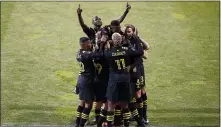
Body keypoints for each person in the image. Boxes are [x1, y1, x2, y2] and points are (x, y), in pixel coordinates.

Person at [104, 33, 144, 127]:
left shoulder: (109, 53)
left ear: (113, 41)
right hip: (126, 80)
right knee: (126, 104)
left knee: (111, 105)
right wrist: (132, 66)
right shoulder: (127, 50)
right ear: (121, 40)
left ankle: (109, 124)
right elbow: (140, 53)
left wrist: (105, 46)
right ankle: (134, 124)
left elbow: (102, 54)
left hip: (114, 81)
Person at [75, 37, 104, 127]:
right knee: (88, 105)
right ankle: (81, 125)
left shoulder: (79, 53)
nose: (90, 45)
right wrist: (101, 45)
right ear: (83, 45)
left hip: (81, 79)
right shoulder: (87, 55)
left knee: (82, 102)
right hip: (87, 81)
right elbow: (98, 55)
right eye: (88, 44)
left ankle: (77, 123)